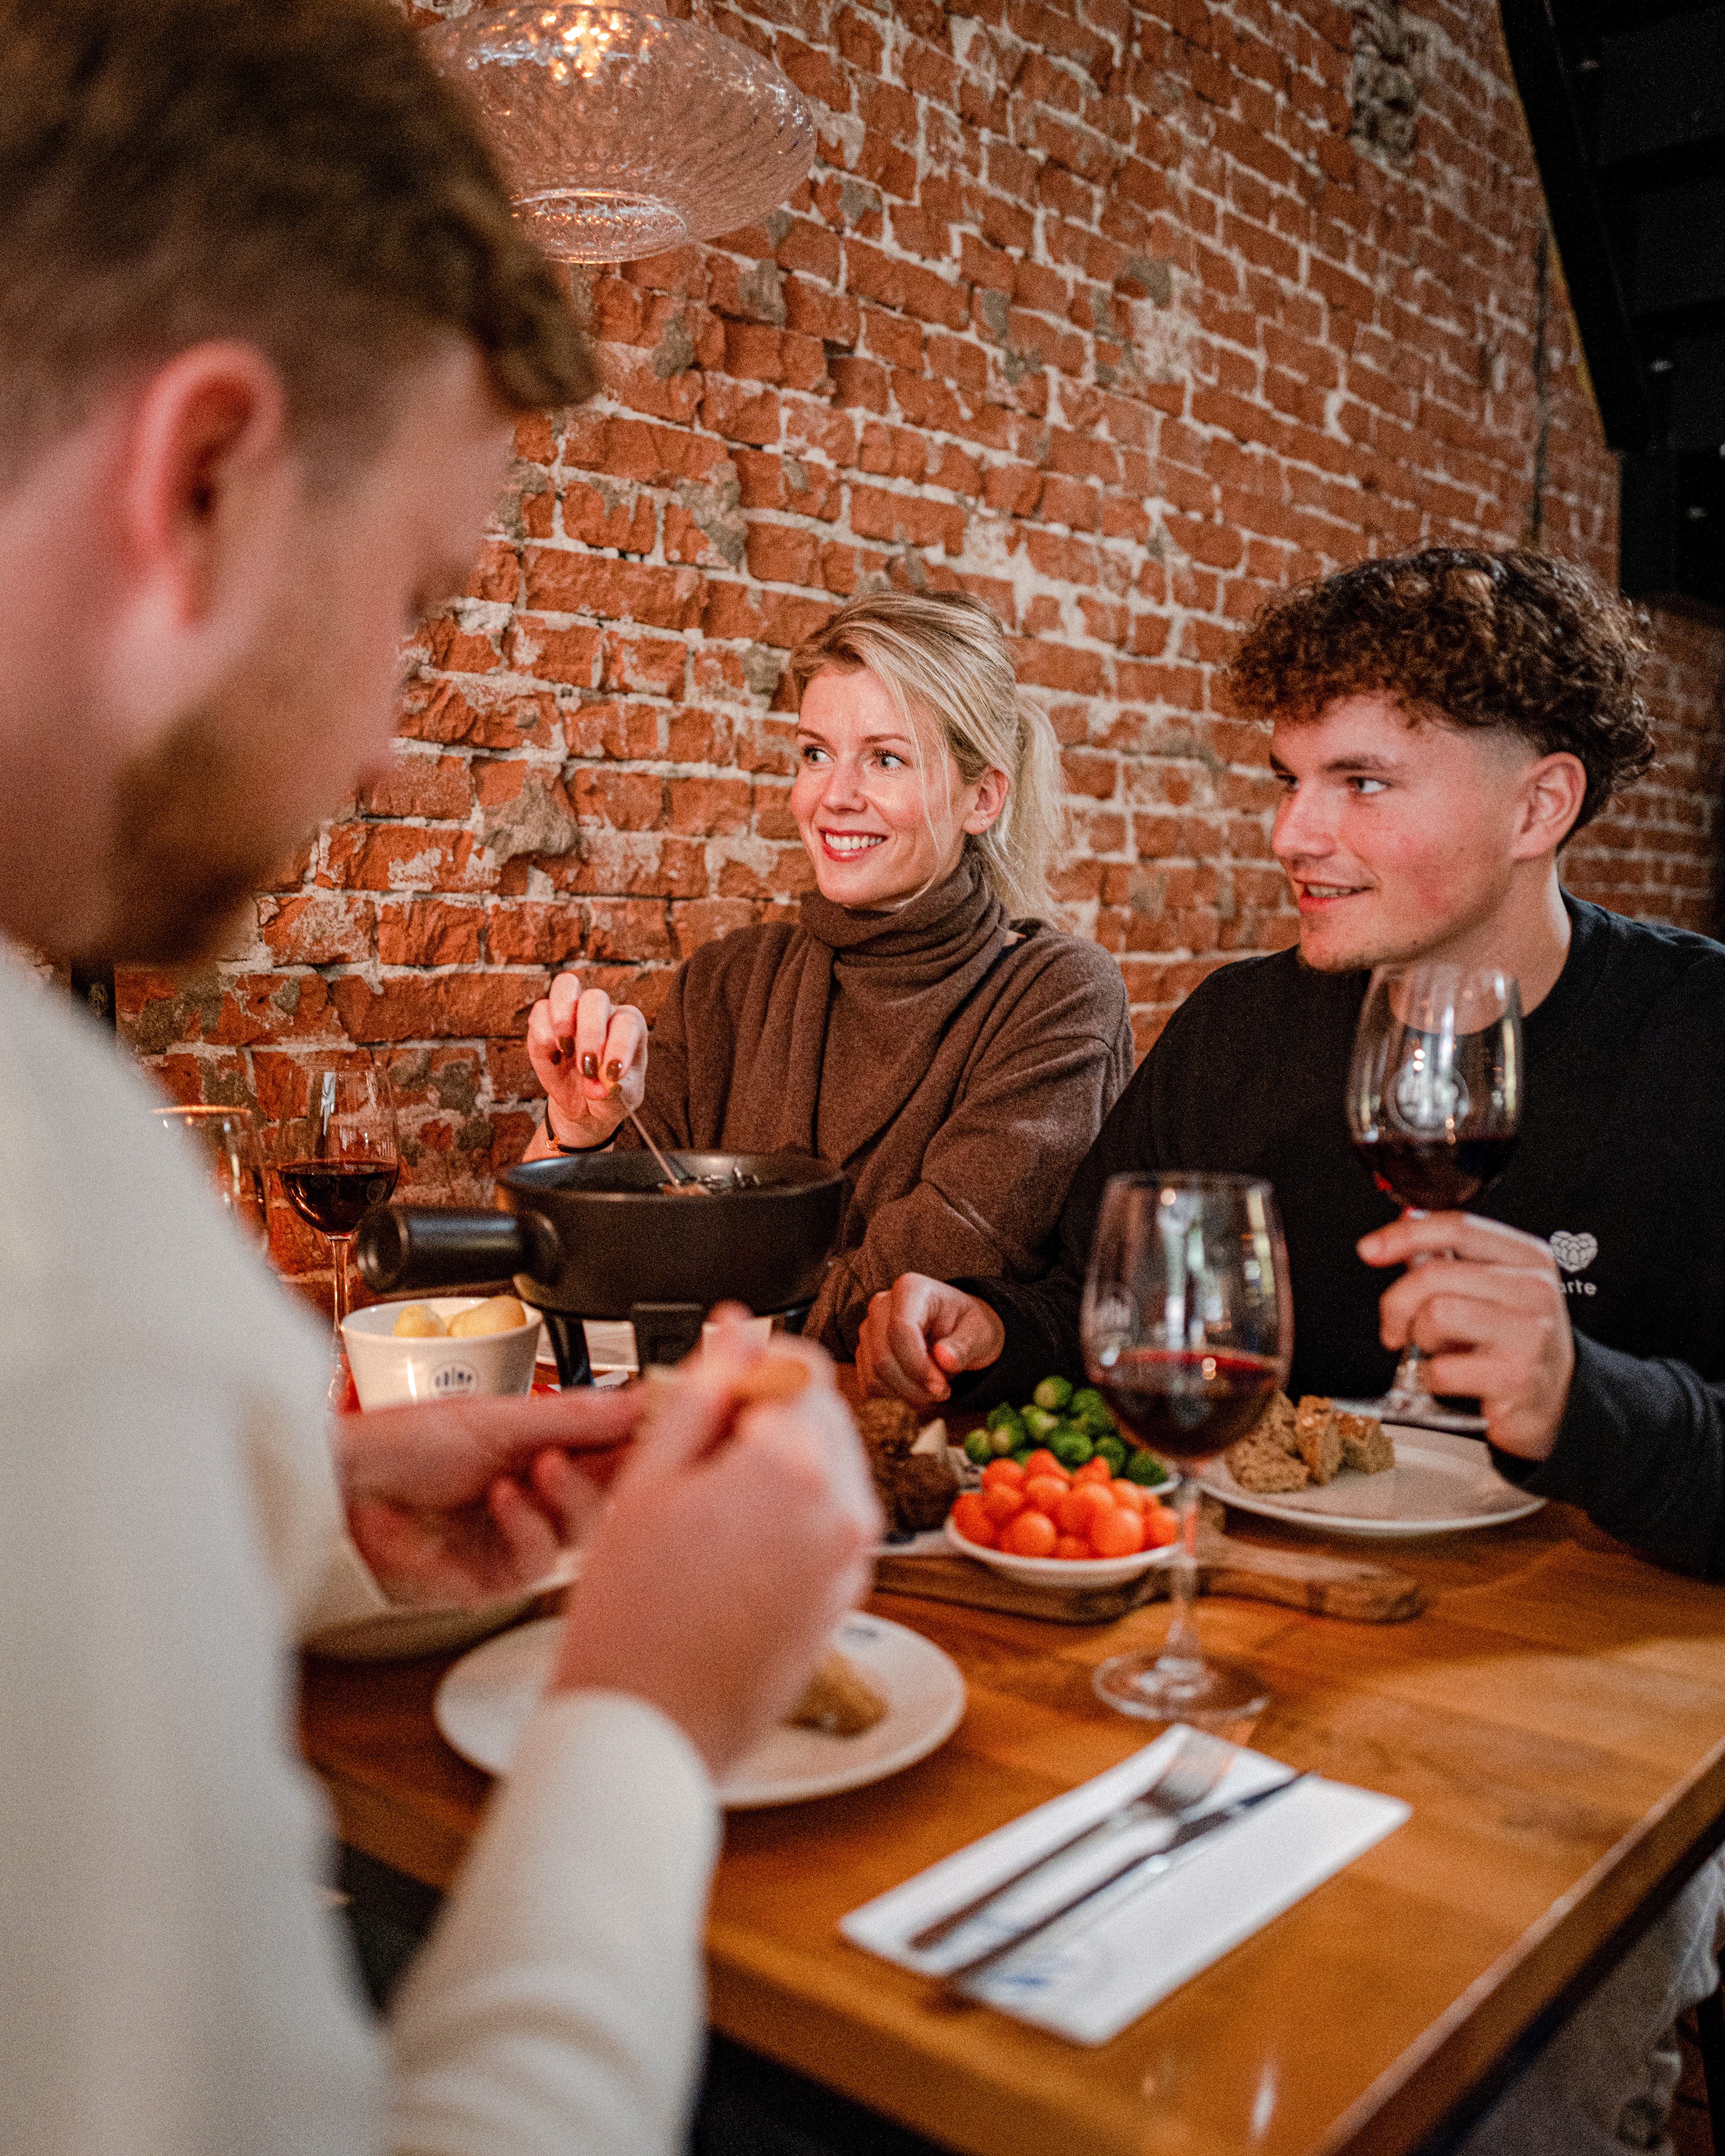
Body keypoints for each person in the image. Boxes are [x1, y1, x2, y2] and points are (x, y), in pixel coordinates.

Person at [0, 5, 879, 2155]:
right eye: (410, 603)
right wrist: (650, 1726)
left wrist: (300, 1507)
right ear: (198, 474)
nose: (392, 744)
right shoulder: (59, 1226)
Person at [858, 544, 1725, 2156]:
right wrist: (989, 1328)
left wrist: (1587, 1398)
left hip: (1580, 1738)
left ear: (1539, 805)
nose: (1287, 833)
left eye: (1358, 780)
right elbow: (1092, 1313)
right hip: (1260, 1660)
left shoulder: (1696, 1051)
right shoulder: (1248, 1031)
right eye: (1284, 777)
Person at [519, 589, 1135, 1355]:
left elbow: (904, 1297)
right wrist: (577, 1133)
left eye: (885, 759)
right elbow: (581, 1281)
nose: (834, 798)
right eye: (816, 754)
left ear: (983, 798)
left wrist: (682, 1311)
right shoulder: (727, 983)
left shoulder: (1057, 996)